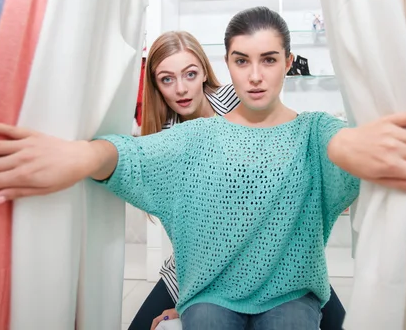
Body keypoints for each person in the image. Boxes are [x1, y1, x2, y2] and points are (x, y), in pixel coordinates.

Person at [0, 7, 406, 330]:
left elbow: (339, 144)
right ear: (229, 62)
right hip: (205, 280)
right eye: (242, 60)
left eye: (268, 60)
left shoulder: (311, 127)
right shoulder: (194, 134)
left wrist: (363, 144)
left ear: (288, 62)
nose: (255, 75)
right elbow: (131, 154)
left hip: (293, 286)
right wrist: (81, 155)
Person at [134, 30, 348, 330]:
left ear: (205, 72)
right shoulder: (165, 136)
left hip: (276, 252)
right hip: (201, 262)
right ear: (156, 84)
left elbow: (291, 151)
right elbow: (187, 226)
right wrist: (186, 302)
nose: (181, 89)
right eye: (167, 79)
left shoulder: (238, 99)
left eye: (190, 74)